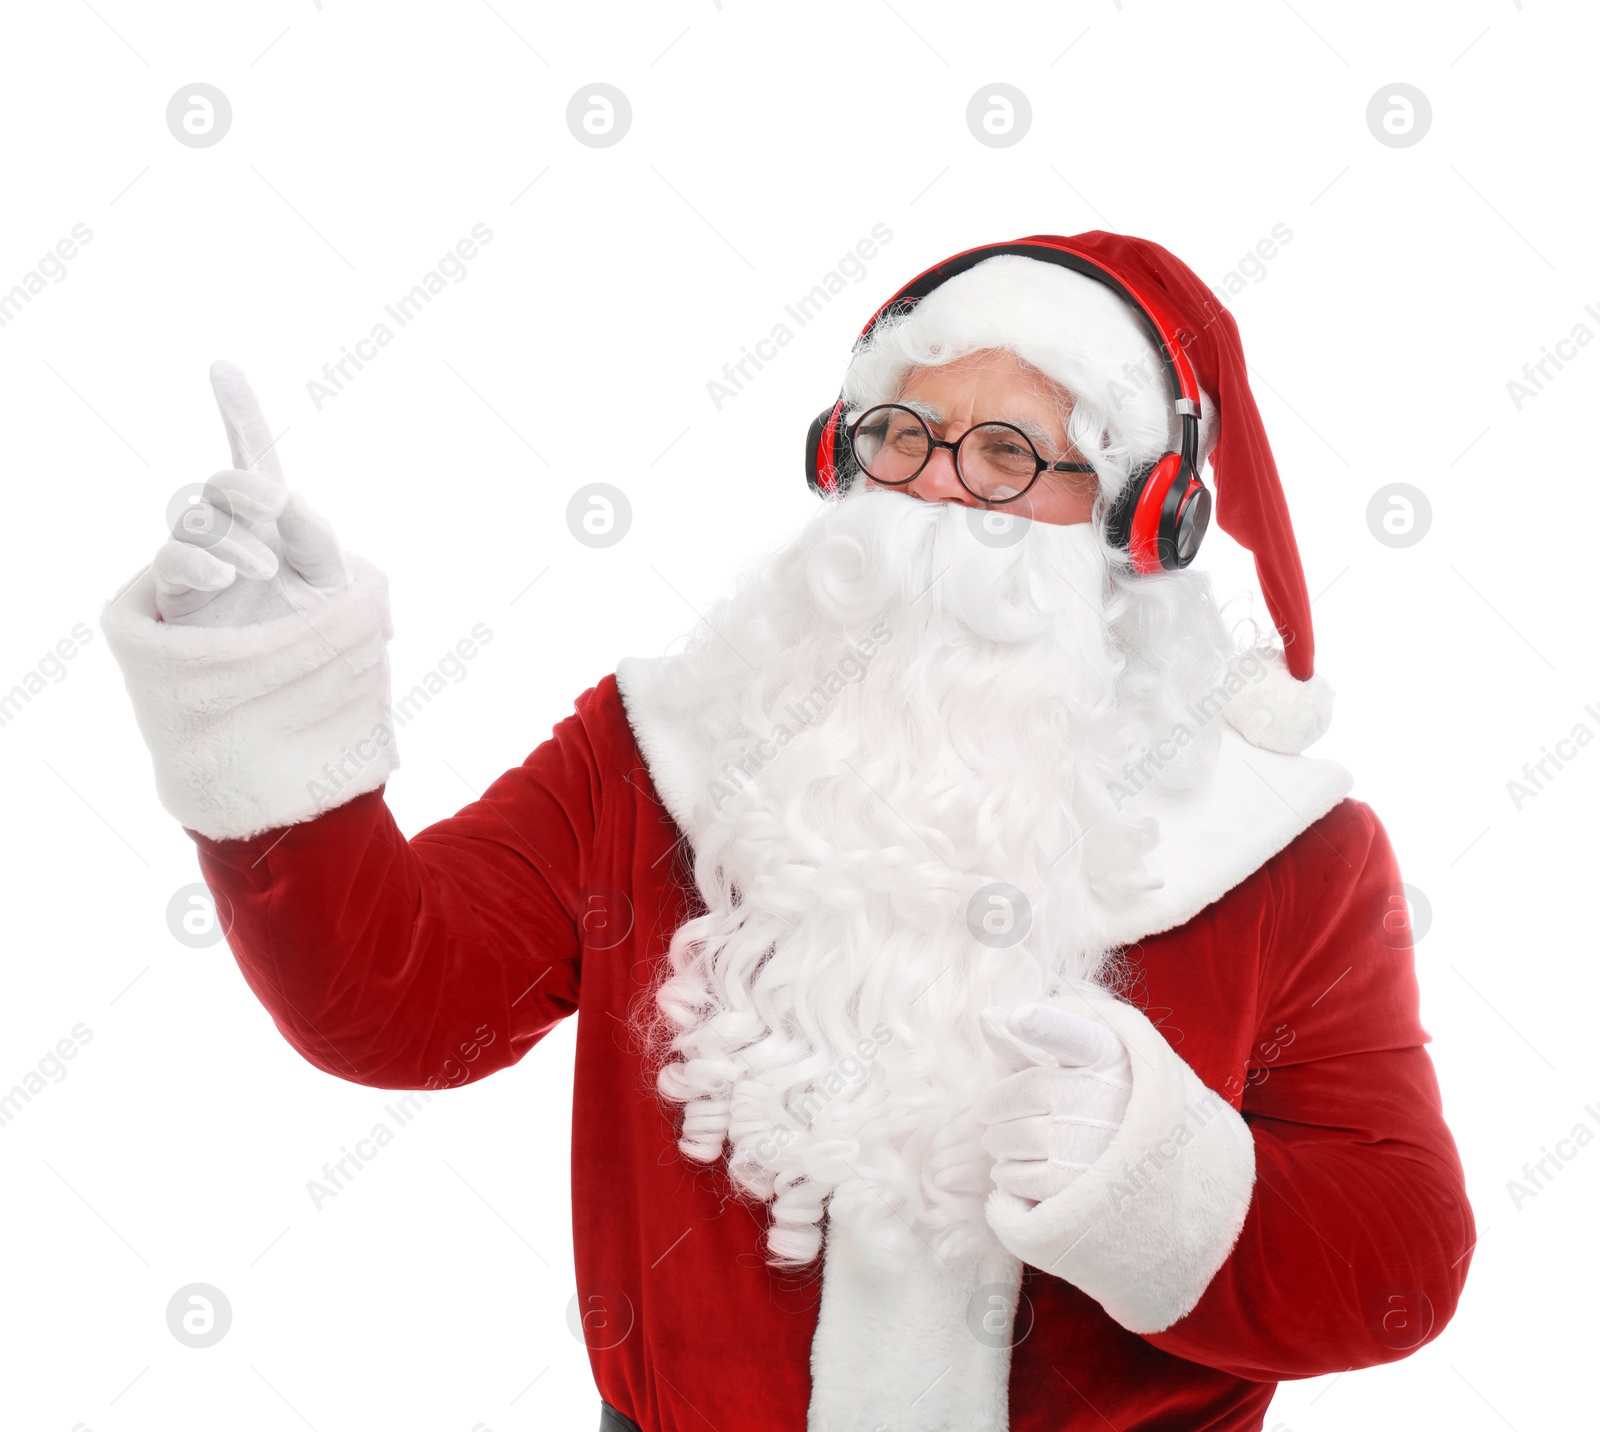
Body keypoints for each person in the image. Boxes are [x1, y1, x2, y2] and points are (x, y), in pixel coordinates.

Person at [100, 232, 1474, 1432]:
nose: (937, 492)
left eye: (1012, 455)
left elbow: (1403, 1265)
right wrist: (271, 696)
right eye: (904, 435)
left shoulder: (1281, 847)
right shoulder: (658, 751)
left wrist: (1160, 1175)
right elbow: (395, 1008)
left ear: (1141, 521)